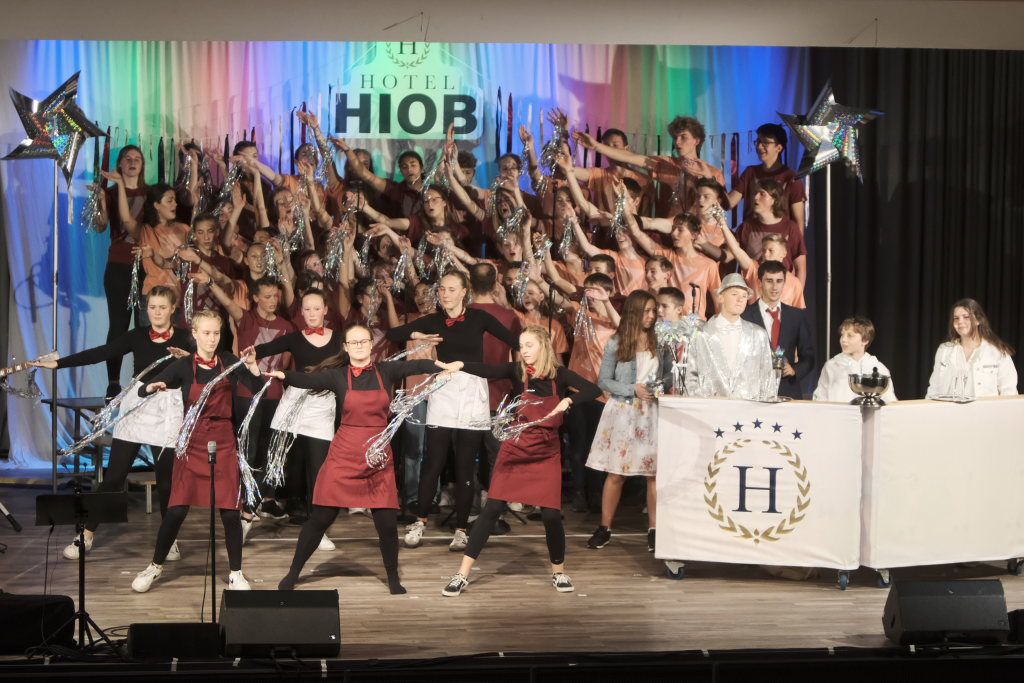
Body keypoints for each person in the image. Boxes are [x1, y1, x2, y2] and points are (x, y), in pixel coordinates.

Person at [271, 324, 449, 594]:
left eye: (363, 341)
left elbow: (415, 366)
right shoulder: (337, 376)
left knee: (386, 524)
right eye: (353, 342)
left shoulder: (386, 371)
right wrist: (282, 374)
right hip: (344, 455)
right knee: (320, 518)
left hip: (377, 457)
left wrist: (441, 366)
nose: (359, 346)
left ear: (370, 344)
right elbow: (307, 380)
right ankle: (293, 572)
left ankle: (393, 578)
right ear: (345, 347)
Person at [436, 325, 601, 596]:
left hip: (546, 452)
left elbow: (593, 389)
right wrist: (462, 365)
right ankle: (461, 575)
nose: (523, 351)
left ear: (543, 346)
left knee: (550, 515)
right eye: (521, 346)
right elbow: (488, 370)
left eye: (529, 345)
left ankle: (559, 572)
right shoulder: (518, 371)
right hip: (516, 449)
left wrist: (569, 401)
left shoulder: (559, 375)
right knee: (491, 509)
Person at [30, 286, 192, 560]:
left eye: (162, 307)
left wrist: (189, 360)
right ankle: (86, 535)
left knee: (166, 482)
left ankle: (169, 539)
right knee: (114, 476)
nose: (156, 312)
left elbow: (208, 364)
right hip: (138, 405)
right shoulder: (137, 335)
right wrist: (59, 364)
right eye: (152, 307)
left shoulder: (186, 338)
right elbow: (102, 352)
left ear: (173, 309)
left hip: (168, 410)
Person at [385, 271, 519, 551]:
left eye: (451, 289)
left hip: (472, 391)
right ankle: (419, 521)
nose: (445, 294)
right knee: (433, 462)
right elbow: (393, 333)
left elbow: (513, 339)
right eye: (442, 289)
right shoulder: (434, 319)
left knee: (465, 465)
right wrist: (417, 334)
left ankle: (461, 529)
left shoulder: (479, 318)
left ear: (464, 292)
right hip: (444, 390)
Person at [130, 310, 263, 593]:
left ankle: (236, 573)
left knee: (230, 512)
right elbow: (143, 391)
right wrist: (152, 386)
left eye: (216, 333)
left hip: (223, 441)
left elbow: (256, 387)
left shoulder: (228, 362)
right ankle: (154, 566)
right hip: (192, 443)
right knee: (177, 509)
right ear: (195, 334)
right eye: (206, 333)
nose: (212, 339)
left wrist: (252, 367)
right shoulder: (183, 365)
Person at [585, 291, 672, 552]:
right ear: (634, 313)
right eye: (646, 311)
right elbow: (604, 380)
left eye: (653, 311)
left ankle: (654, 530)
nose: (651, 316)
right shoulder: (617, 342)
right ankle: (604, 527)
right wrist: (632, 389)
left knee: (653, 474)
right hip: (624, 412)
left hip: (651, 413)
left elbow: (670, 374)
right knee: (616, 473)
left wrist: (658, 387)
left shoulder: (661, 341)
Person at [253, 289, 343, 536]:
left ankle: (317, 530)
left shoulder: (339, 340)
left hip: (322, 407)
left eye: (317, 308)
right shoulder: (294, 338)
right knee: (273, 461)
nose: (312, 314)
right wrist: (246, 357)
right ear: (301, 312)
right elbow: (261, 350)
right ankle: (246, 516)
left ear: (325, 310)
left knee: (319, 469)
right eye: (307, 309)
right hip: (293, 402)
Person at [95, 145, 146, 398]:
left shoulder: (151, 193)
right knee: (118, 326)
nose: (132, 162)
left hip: (147, 266)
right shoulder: (111, 193)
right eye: (128, 158)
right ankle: (113, 383)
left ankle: (144, 381)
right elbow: (99, 226)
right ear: (120, 164)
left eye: (137, 159)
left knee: (146, 325)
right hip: (119, 264)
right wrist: (101, 203)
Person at [685, 273, 774, 400]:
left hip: (749, 408)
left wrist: (765, 407)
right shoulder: (701, 334)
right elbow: (691, 377)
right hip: (711, 408)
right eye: (734, 294)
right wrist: (703, 406)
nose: (740, 299)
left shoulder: (759, 334)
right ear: (721, 297)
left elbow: (767, 377)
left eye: (744, 296)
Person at [740, 261, 815, 400]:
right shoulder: (745, 316)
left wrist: (794, 370)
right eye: (769, 281)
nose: (775, 287)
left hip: (789, 392)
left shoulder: (796, 316)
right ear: (760, 283)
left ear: (784, 283)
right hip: (754, 392)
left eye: (779, 281)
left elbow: (809, 356)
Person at [926, 299, 1017, 399]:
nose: (960, 321)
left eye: (966, 317)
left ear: (978, 320)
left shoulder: (998, 352)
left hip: (985, 409)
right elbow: (933, 389)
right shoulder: (944, 350)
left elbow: (1009, 392)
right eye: (956, 318)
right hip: (948, 409)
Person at [727, 123, 807, 233]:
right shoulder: (750, 172)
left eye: (765, 142)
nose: (759, 146)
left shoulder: (791, 178)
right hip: (751, 236)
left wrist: (797, 243)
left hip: (778, 239)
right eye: (758, 141)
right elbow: (729, 203)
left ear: (779, 148)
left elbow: (799, 222)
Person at [734, 179, 806, 287]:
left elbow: (801, 268)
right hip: (754, 290)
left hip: (782, 291)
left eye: (762, 194)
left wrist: (797, 294)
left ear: (774, 200)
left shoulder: (790, 228)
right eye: (755, 193)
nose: (756, 197)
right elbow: (729, 255)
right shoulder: (746, 227)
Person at [814, 316, 898, 403]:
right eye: (842, 335)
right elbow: (820, 398)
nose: (843, 339)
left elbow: (890, 402)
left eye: (850, 336)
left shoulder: (878, 368)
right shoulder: (832, 366)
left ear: (865, 340)